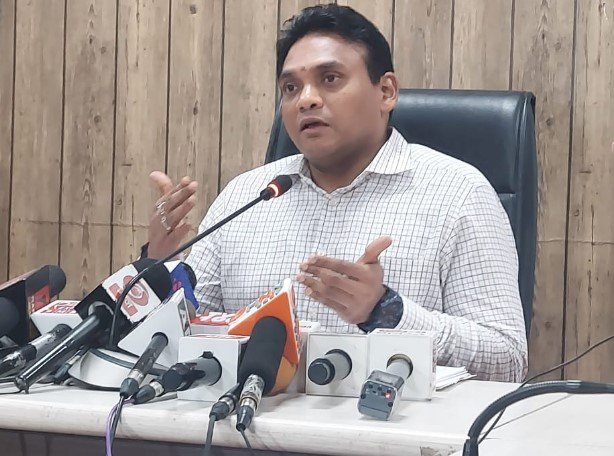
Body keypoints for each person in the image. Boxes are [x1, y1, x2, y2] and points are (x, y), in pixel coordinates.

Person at [146, 4, 527, 382]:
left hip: (391, 420)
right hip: (247, 415)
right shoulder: (248, 194)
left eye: (330, 78)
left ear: (386, 92)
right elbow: (183, 341)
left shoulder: (458, 193)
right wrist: (157, 267)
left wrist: (384, 311)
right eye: (291, 87)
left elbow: (507, 359)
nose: (306, 99)